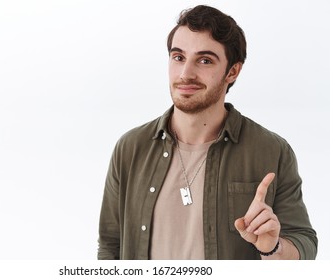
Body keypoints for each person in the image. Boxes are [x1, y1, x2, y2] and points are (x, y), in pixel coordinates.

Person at [97, 5, 317, 260]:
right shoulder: (130, 148)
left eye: (204, 60)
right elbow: (110, 247)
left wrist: (272, 247)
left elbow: (305, 245)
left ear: (232, 71)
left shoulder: (271, 151)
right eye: (178, 57)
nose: (185, 74)